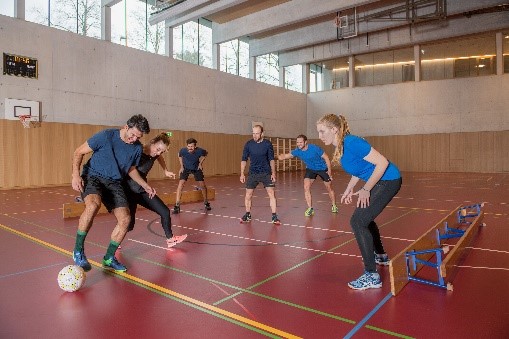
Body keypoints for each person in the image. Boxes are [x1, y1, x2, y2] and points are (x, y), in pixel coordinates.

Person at [316, 114, 402, 290]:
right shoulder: (340, 146)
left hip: (389, 180)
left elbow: (382, 163)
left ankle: (371, 275)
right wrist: (349, 188)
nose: (320, 136)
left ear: (334, 130)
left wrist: (366, 189)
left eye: (322, 131)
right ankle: (381, 256)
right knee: (364, 218)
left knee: (358, 221)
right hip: (381, 181)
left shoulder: (352, 142)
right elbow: (359, 168)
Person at [71, 114, 154, 272]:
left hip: (114, 182)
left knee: (125, 219)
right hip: (93, 176)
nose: (134, 139)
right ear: (126, 127)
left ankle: (109, 258)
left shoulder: (136, 148)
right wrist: (75, 174)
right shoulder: (105, 136)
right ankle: (78, 251)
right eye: (133, 134)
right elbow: (78, 152)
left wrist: (145, 184)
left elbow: (131, 169)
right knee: (93, 205)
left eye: (138, 137)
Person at [125, 132, 188, 249]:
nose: (158, 153)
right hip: (129, 192)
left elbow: (159, 157)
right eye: (158, 149)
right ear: (152, 142)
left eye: (162, 151)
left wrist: (165, 170)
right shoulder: (138, 151)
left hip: (143, 190)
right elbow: (129, 170)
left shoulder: (155, 154)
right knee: (129, 225)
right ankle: (114, 243)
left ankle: (170, 239)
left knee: (164, 211)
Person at [277, 134, 338, 217]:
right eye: (297, 142)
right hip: (311, 169)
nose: (299, 144)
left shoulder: (314, 148)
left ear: (305, 142)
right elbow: (286, 156)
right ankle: (310, 208)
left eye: (300, 142)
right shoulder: (297, 151)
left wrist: (329, 172)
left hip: (322, 168)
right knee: (306, 187)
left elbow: (326, 158)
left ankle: (334, 205)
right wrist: (277, 157)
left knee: (329, 188)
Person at [240, 125, 280, 225]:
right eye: (253, 133)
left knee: (271, 194)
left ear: (262, 133)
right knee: (248, 195)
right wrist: (242, 173)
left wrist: (273, 173)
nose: (255, 135)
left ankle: (274, 216)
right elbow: (244, 159)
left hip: (266, 173)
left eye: (257, 133)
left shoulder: (267, 144)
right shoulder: (248, 144)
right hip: (253, 173)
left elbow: (271, 159)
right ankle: (247, 214)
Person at [172, 138, 211, 214]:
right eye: (189, 146)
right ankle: (177, 206)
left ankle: (206, 203)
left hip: (196, 168)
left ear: (195, 146)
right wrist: (181, 166)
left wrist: (200, 163)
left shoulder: (200, 151)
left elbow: (206, 154)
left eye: (192, 146)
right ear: (187, 146)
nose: (190, 148)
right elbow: (179, 155)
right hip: (186, 168)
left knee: (203, 185)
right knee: (181, 184)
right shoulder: (183, 150)